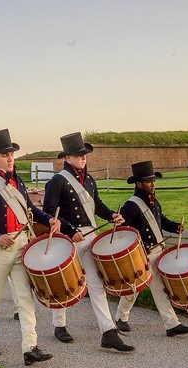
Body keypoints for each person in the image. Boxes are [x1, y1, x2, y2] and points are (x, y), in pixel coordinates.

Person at [0, 128, 60, 366]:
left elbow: (29, 208)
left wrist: (47, 218)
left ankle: (30, 346)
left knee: (24, 297)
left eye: (11, 154)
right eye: (4, 154)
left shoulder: (17, 180)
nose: (10, 158)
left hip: (21, 245)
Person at [42, 132, 134, 352]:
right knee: (65, 284)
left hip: (90, 235)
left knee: (95, 283)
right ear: (67, 157)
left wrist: (112, 215)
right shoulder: (57, 181)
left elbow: (97, 205)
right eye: (78, 155)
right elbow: (48, 213)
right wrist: (70, 229)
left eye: (84, 155)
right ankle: (59, 325)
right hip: (69, 238)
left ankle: (108, 331)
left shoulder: (89, 179)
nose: (83, 158)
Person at [114, 161, 188, 337]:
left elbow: (160, 220)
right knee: (136, 287)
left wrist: (175, 226)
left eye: (153, 180)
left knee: (156, 288)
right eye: (149, 181)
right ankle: (122, 317)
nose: (153, 184)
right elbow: (123, 233)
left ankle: (171, 324)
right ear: (139, 184)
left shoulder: (153, 200)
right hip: (142, 254)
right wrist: (140, 248)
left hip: (157, 252)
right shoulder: (131, 206)